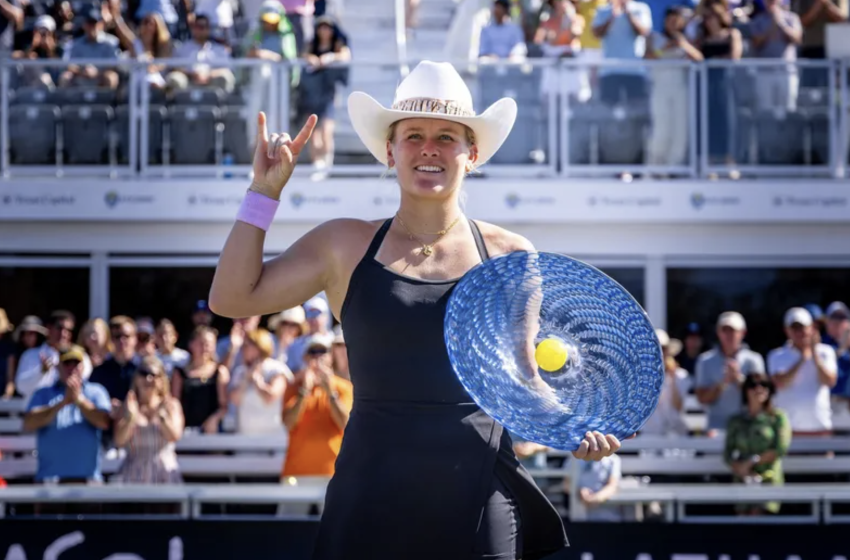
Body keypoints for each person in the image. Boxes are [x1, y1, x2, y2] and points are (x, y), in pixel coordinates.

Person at [209, 60, 623, 559]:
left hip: (480, 497)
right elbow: (231, 298)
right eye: (414, 135)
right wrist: (263, 192)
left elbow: (524, 376)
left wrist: (571, 428)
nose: (430, 148)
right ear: (390, 151)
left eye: (447, 136)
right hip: (370, 494)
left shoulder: (512, 255)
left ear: (472, 154)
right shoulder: (343, 243)